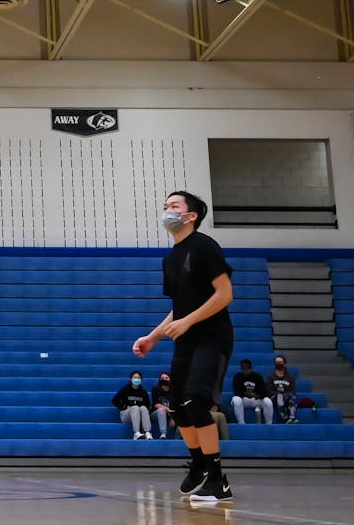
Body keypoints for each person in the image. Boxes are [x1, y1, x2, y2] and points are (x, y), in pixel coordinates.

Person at [133, 190, 235, 505]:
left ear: (191, 215)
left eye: (174, 206)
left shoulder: (205, 246)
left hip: (212, 337)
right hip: (186, 340)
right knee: (176, 405)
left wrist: (189, 321)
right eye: (165, 206)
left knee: (196, 403)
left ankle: (218, 481)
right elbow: (178, 308)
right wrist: (153, 336)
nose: (167, 211)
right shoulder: (170, 258)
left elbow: (224, 294)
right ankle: (200, 462)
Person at [230, 358, 274, 424]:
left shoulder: (258, 377)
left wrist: (257, 395)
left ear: (251, 368)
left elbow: (264, 392)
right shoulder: (237, 377)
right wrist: (246, 394)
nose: (245, 370)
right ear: (241, 369)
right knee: (236, 399)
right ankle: (241, 423)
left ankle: (269, 424)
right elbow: (236, 392)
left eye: (247, 368)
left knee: (268, 401)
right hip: (243, 399)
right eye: (243, 368)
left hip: (255, 399)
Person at [113, 372, 154, 439]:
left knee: (143, 408)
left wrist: (141, 410)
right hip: (126, 415)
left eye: (138, 378)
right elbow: (114, 401)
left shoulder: (143, 391)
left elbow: (148, 405)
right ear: (131, 379)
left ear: (141, 380)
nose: (136, 379)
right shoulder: (125, 389)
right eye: (135, 377)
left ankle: (147, 432)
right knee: (135, 407)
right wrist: (125, 406)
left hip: (139, 417)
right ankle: (136, 433)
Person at [267, 355, 299, 423]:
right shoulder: (270, 376)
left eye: (280, 362)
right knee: (280, 397)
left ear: (284, 364)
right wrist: (280, 394)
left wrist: (285, 395)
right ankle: (286, 419)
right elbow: (269, 391)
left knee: (291, 396)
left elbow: (293, 391)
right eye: (277, 362)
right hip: (274, 399)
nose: (278, 364)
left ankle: (292, 417)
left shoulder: (290, 377)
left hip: (287, 398)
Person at [150, 372, 175, 438]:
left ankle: (177, 439)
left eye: (166, 378)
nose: (164, 379)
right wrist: (165, 408)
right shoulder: (155, 389)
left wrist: (173, 418)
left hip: (170, 415)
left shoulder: (174, 391)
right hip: (156, 414)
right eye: (162, 378)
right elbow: (155, 404)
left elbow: (176, 406)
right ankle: (163, 434)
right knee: (161, 410)